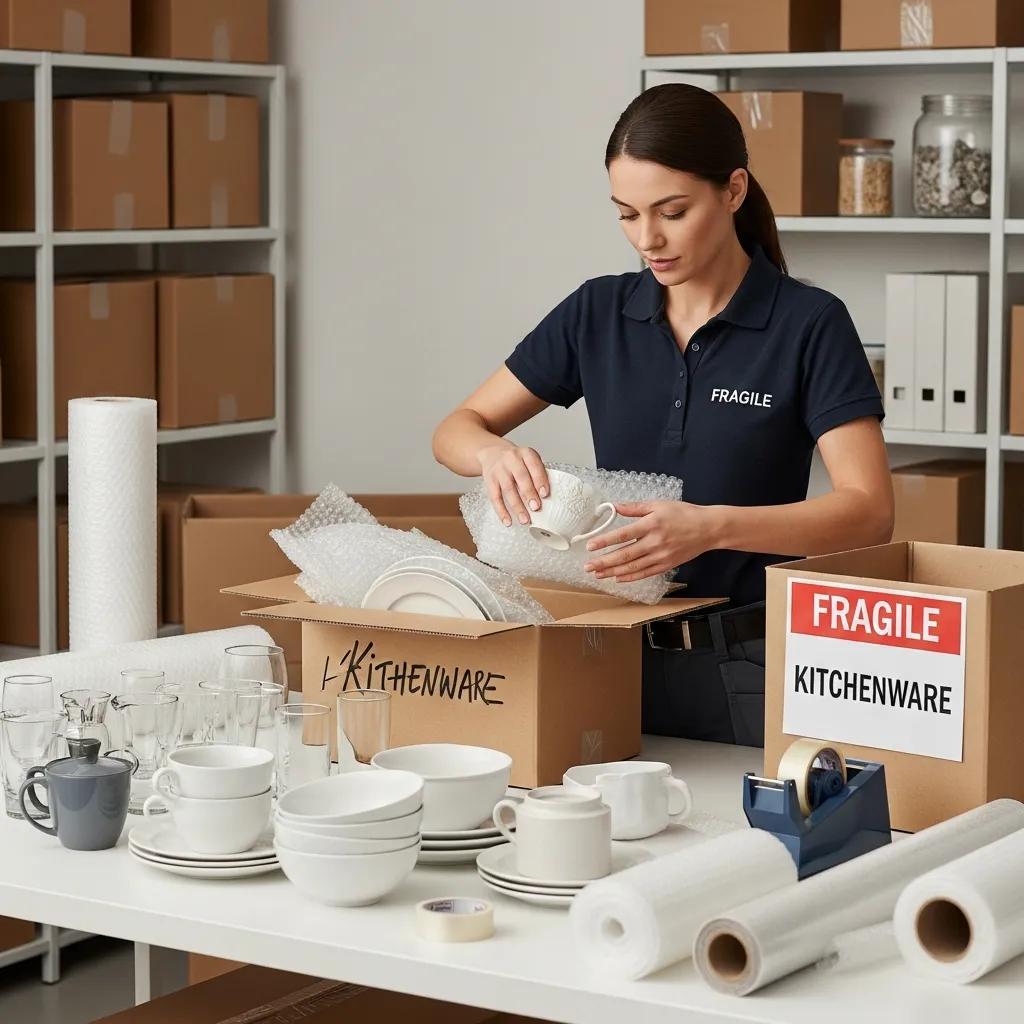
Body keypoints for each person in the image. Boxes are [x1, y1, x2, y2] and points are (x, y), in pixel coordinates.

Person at [432, 83, 894, 747]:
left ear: (733, 190)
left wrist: (710, 528)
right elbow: (455, 429)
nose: (647, 239)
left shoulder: (809, 324)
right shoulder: (597, 312)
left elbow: (869, 512)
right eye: (626, 214)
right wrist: (493, 454)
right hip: (602, 654)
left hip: (747, 664)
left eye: (672, 212)